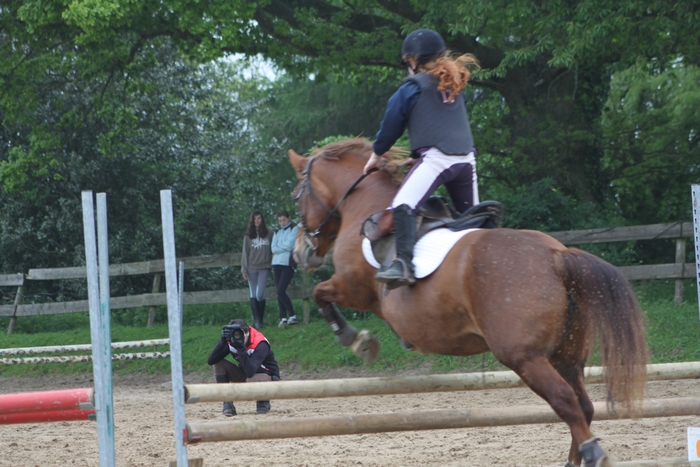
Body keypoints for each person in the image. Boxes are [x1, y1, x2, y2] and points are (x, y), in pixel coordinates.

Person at [363, 28, 481, 289]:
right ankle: (483, 265)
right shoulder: (456, 84)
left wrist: (376, 154)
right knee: (474, 220)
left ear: (413, 61)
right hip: (466, 162)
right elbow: (444, 125)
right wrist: (417, 156)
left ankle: (404, 264)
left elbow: (390, 127)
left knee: (403, 204)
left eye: (408, 63)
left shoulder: (411, 88)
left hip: (437, 161)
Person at [208, 319, 281, 416]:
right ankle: (227, 403)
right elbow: (211, 361)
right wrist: (222, 342)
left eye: (240, 334)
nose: (238, 337)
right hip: (246, 374)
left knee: (253, 379)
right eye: (235, 334)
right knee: (218, 364)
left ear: (247, 332)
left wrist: (241, 348)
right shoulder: (232, 341)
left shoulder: (260, 344)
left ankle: (263, 402)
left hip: (266, 375)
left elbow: (251, 372)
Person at [241, 210, 273, 328]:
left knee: (260, 294)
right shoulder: (248, 236)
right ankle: (257, 321)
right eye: (254, 219)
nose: (257, 221)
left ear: (262, 219)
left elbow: (274, 246)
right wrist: (244, 270)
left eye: (259, 218)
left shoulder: (269, 233)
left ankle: (260, 318)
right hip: (251, 268)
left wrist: (274, 254)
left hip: (264, 267)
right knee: (253, 293)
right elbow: (245, 254)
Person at [271, 209, 300, 327]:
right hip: (276, 263)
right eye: (280, 221)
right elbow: (273, 248)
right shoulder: (277, 232)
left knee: (281, 290)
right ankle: (283, 317)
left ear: (289, 218)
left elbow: (290, 245)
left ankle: (292, 315)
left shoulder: (294, 228)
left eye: (284, 220)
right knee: (279, 291)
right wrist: (280, 247)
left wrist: (279, 246)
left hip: (288, 263)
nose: (282, 223)